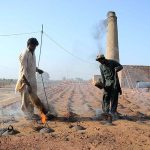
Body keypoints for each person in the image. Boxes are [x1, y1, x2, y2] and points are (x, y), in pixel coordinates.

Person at [16, 38, 44, 120]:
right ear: (29, 45)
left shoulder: (33, 53)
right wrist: (27, 84)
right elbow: (23, 70)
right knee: (26, 98)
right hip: (25, 80)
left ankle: (31, 113)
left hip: (32, 79)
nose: (35, 47)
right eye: (34, 46)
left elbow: (31, 66)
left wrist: (37, 70)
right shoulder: (25, 54)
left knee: (33, 97)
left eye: (36, 46)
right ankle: (27, 115)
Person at [96, 54, 123, 119]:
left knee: (114, 98)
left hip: (114, 83)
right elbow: (103, 76)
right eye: (98, 61)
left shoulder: (112, 62)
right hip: (106, 84)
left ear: (103, 58)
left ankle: (113, 112)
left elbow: (121, 66)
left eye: (100, 60)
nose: (100, 62)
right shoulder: (101, 66)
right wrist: (102, 84)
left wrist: (117, 69)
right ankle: (106, 112)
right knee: (106, 97)